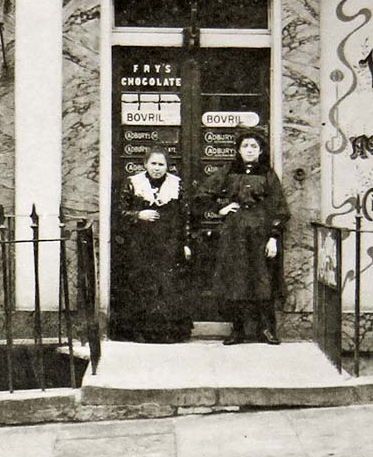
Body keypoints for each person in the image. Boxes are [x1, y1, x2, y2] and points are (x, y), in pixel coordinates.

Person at [196, 128, 290, 345]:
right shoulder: (228, 172)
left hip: (261, 234)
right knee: (235, 281)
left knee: (263, 279)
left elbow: (280, 208)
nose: (249, 150)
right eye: (245, 146)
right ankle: (237, 330)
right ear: (238, 150)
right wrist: (221, 208)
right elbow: (202, 195)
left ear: (260, 150)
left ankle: (266, 329)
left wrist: (273, 237)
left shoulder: (267, 174)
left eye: (254, 146)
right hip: (235, 234)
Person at [112, 148, 192, 343]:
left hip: (168, 244)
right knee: (141, 284)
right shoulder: (132, 183)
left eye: (161, 164)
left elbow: (185, 217)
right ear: (145, 164)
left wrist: (186, 243)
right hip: (141, 244)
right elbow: (119, 212)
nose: (157, 168)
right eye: (154, 164)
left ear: (167, 166)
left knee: (166, 285)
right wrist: (138, 215)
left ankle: (167, 333)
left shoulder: (177, 185)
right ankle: (140, 332)